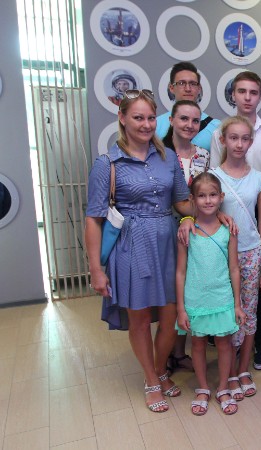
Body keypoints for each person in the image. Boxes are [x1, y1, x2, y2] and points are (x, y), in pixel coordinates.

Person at [85, 89, 191, 413]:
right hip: (131, 247)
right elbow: (93, 219)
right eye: (138, 118)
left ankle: (160, 369)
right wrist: (96, 269)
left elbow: (182, 202)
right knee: (141, 320)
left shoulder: (168, 157)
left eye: (150, 118)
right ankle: (152, 379)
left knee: (171, 318)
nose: (146, 124)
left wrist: (209, 214)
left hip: (168, 245)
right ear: (122, 118)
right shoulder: (107, 164)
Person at [210, 71, 261, 371]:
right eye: (242, 91)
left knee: (260, 291)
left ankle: (258, 343)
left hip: (260, 210)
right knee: (226, 294)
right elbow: (211, 185)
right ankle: (228, 349)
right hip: (227, 219)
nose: (248, 97)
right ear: (234, 95)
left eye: (253, 92)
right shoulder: (219, 133)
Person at [212, 116, 261, 401]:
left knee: (249, 312)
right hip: (220, 254)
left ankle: (243, 368)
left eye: (245, 138)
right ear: (223, 140)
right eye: (233, 138)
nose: (239, 144)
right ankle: (226, 370)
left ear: (251, 142)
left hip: (251, 253)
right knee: (226, 312)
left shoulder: (260, 179)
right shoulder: (213, 176)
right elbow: (202, 213)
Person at [175, 172, 246, 416]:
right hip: (195, 300)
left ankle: (223, 387)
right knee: (197, 344)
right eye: (202, 196)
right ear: (192, 199)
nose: (208, 200)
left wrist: (237, 304)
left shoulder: (229, 230)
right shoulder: (186, 231)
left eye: (213, 195)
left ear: (221, 197)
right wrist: (181, 308)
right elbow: (180, 272)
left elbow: (234, 268)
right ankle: (203, 387)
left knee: (224, 344)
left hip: (222, 298)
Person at [162, 99, 211, 373]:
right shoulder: (158, 153)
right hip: (164, 229)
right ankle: (164, 354)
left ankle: (180, 353)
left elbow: (208, 193)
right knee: (168, 295)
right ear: (171, 120)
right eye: (183, 119)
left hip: (195, 231)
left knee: (186, 291)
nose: (189, 125)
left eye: (195, 120)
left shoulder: (204, 155)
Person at [156, 62, 220, 151]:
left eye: (193, 84)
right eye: (181, 83)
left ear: (199, 88)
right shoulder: (156, 124)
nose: (188, 89)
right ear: (171, 88)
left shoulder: (216, 127)